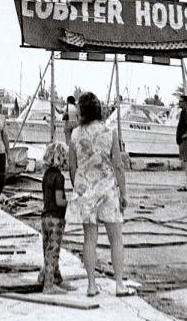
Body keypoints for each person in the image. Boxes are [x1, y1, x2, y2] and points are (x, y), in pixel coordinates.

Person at [66, 92, 133, 297]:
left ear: (81, 111)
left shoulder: (75, 134)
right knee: (116, 239)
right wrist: (123, 193)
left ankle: (91, 285)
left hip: (85, 190)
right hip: (107, 189)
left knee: (89, 240)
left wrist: (77, 186)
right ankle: (119, 284)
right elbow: (118, 165)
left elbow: (72, 165)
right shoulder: (110, 132)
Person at [37, 142, 75, 293]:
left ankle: (55, 277)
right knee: (53, 251)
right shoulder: (59, 178)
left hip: (45, 217)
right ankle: (48, 284)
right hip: (56, 219)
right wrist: (72, 203)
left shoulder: (46, 175)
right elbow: (59, 200)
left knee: (48, 249)